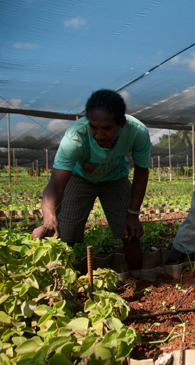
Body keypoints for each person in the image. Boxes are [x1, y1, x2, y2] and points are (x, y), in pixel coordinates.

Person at [32, 89, 151, 270]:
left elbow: (141, 173)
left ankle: (140, 279)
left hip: (115, 178)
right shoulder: (75, 137)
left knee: (130, 233)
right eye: (93, 127)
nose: (99, 135)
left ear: (122, 123)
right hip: (80, 178)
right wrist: (49, 219)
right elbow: (56, 186)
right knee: (63, 236)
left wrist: (133, 214)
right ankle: (57, 286)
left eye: (107, 128)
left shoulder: (137, 132)